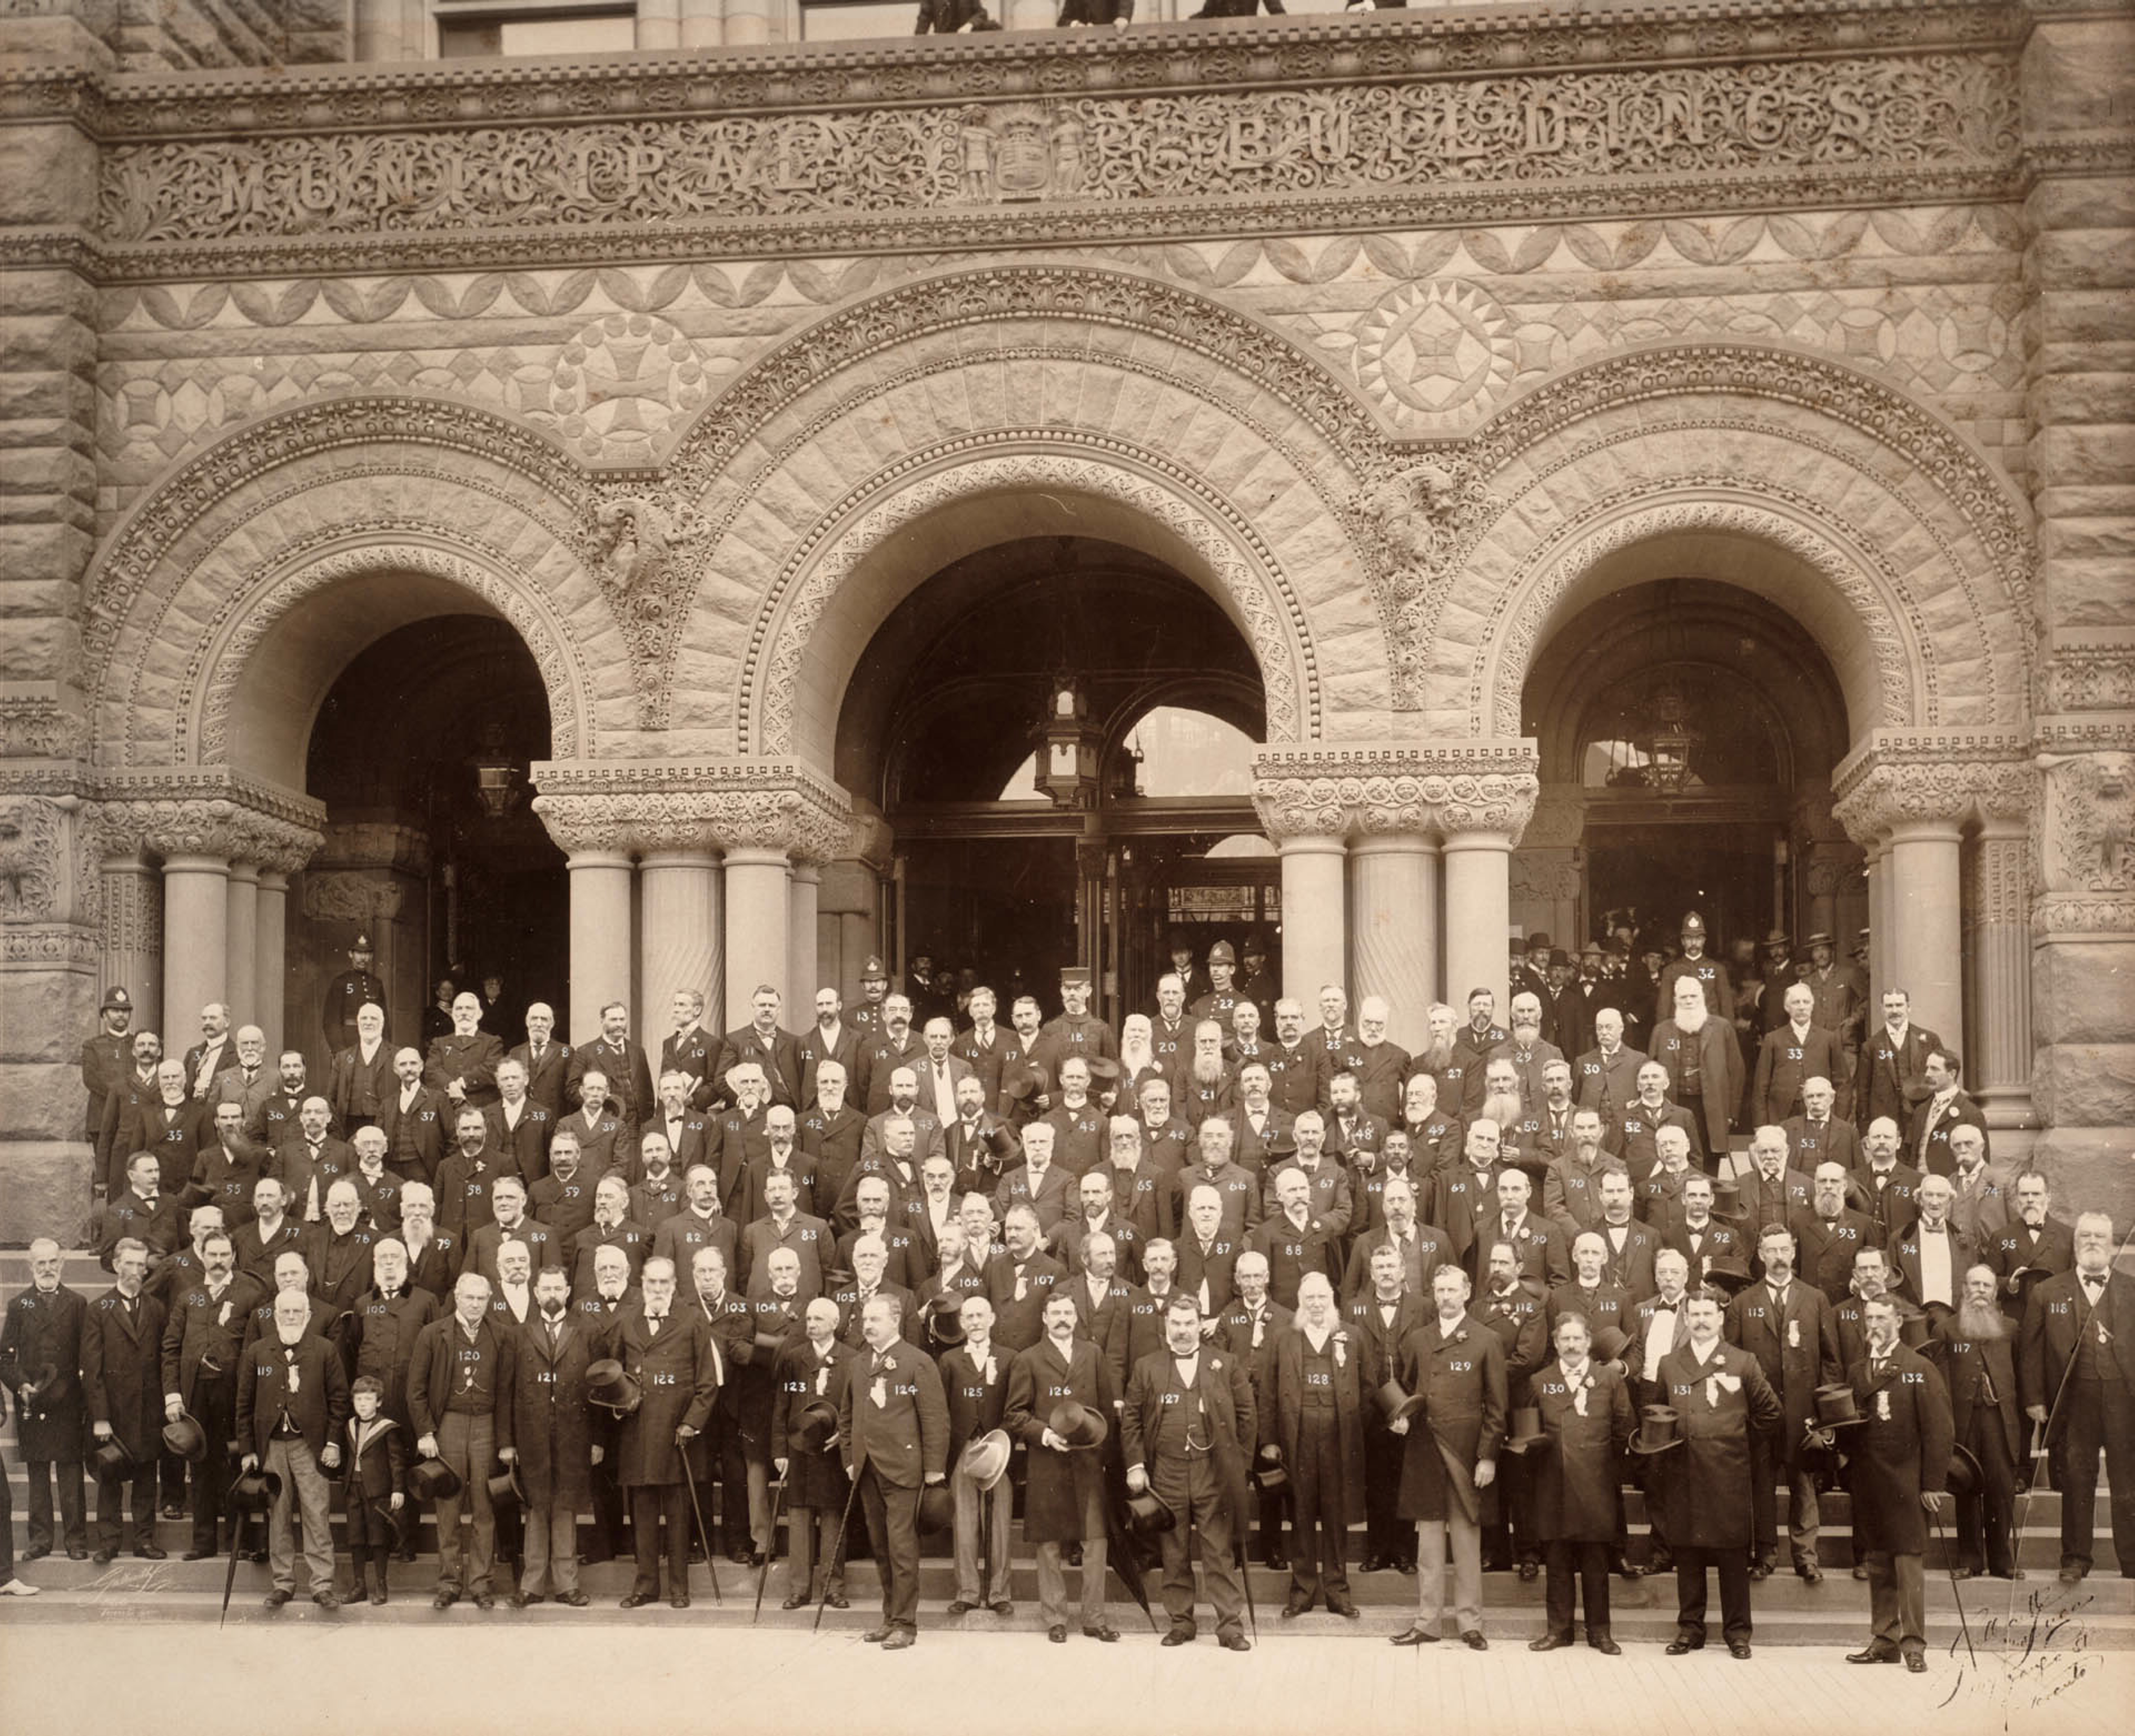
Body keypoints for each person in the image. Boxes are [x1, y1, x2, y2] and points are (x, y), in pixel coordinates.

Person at [1656, 1285, 1783, 1659]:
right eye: (1694, 1314)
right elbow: (1658, 1415)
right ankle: (1690, 1629)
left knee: (1732, 1557)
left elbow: (1772, 1413)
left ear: (1721, 1319)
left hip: (1728, 1473)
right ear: (1686, 1319)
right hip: (1684, 1472)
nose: (1701, 1321)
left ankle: (1738, 1633)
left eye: (1707, 1314)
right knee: (1688, 1555)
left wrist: (1737, 1440)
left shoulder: (1743, 1362)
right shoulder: (1669, 1363)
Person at [1122, 1293, 1255, 1651]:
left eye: (1189, 1323)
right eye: (1176, 1324)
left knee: (1218, 1551)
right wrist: (1136, 1465)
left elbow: (1247, 1418)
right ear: (1166, 1326)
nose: (1182, 1331)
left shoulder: (1225, 1364)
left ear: (1201, 1325)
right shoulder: (1146, 1366)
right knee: (1174, 1551)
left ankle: (1230, 1627)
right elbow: (1131, 1420)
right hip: (1166, 1475)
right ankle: (1181, 1623)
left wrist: (1237, 1468)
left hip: (1212, 1475)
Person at [1830, 1295, 1954, 1671]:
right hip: (1870, 1482)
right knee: (1878, 1563)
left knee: (1908, 1565)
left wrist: (1932, 1484)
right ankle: (1885, 1639)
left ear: (1898, 1322)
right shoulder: (1856, 1372)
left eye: (1882, 1318)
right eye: (1870, 1318)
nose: (1875, 1325)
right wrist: (1832, 1439)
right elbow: (1852, 1429)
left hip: (1908, 1482)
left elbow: (1940, 1431)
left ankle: (1914, 1644)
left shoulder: (1919, 1368)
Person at [1389, 1264, 1505, 1649]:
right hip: (1427, 1451)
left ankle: (1471, 1624)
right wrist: (1401, 1419)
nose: (1445, 1297)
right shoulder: (1419, 1340)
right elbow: (1405, 1390)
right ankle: (1428, 1623)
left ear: (1468, 1292)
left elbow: (1497, 1407)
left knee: (1468, 1542)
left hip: (1467, 1454)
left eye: (1452, 1290)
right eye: (1439, 1290)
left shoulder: (1487, 1340)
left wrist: (1487, 1457)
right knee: (1430, 1546)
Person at [2019, 1211, 2134, 1584]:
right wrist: (2035, 1398)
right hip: (2073, 1400)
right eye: (2085, 1236)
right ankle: (2075, 1559)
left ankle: (2132, 1560)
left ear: (2113, 1243)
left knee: (2128, 1481)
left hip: (2123, 1398)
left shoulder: (2132, 1289)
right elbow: (2031, 1350)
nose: (2092, 1242)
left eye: (2100, 1236)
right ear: (2075, 1242)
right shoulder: (2048, 1291)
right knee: (2077, 1479)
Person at [1725, 1223, 1839, 1582]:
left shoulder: (1815, 1299)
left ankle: (1806, 1556)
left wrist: (1826, 1415)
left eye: (1784, 1250)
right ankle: (1765, 1553)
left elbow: (1831, 1360)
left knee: (1803, 1484)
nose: (1778, 1257)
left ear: (1793, 1252)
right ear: (1760, 1255)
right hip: (1758, 1415)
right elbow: (1731, 1361)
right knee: (1760, 1484)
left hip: (1803, 1413)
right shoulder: (1744, 1303)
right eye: (1771, 1251)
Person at [606, 1254, 721, 1609]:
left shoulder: (692, 1321)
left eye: (665, 1283)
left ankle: (679, 1589)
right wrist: (619, 1406)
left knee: (677, 1515)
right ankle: (645, 1587)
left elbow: (708, 1384)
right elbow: (613, 1376)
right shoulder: (626, 1321)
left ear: (674, 1285)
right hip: (638, 1436)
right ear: (642, 1283)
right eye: (652, 1282)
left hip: (677, 1437)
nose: (658, 1289)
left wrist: (691, 1423)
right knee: (641, 1514)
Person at [1005, 1289, 1119, 1644]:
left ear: (1076, 1317)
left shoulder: (1094, 1354)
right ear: (1044, 1318)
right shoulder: (1028, 1359)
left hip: (1087, 1462)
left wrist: (1103, 1454)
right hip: (1048, 1462)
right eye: (1055, 1313)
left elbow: (1104, 1409)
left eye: (1068, 1312)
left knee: (1095, 1542)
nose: (1062, 1319)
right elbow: (1014, 1415)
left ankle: (1094, 1619)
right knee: (1050, 1543)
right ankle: (1055, 1618)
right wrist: (1043, 1435)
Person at [839, 1292, 949, 1650]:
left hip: (903, 1469)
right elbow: (847, 1416)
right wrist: (850, 1459)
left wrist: (934, 1469)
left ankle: (906, 1623)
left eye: (875, 1320)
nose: (867, 1326)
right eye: (865, 1320)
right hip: (867, 1468)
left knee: (902, 1547)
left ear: (895, 1322)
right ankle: (890, 1618)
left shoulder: (917, 1363)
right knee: (882, 1547)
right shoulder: (858, 1363)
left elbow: (935, 1418)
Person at [1527, 1312, 1635, 1654]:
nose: (1571, 1345)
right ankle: (1558, 1630)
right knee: (1557, 1561)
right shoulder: (1540, 1381)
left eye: (1577, 1339)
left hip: (1595, 1484)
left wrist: (1605, 1470)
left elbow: (1622, 1428)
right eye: (1565, 1340)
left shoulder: (1609, 1380)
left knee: (1595, 1563)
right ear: (1556, 1344)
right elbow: (1529, 1432)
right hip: (1553, 1485)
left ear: (1588, 1342)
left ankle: (1599, 1632)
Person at [238, 1287, 351, 1607]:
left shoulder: (325, 1350)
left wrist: (332, 1442)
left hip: (309, 1446)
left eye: (297, 1312)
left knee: (317, 1514)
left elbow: (340, 1401)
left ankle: (322, 1585)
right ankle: (283, 1583)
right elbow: (243, 1404)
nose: (291, 1317)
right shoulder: (258, 1351)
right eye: (285, 1312)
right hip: (271, 1447)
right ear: (275, 1316)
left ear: (308, 1316)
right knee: (279, 1515)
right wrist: (248, 1450)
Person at [497, 1264, 599, 1608]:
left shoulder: (586, 1333)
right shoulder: (518, 1335)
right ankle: (532, 1585)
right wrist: (508, 1442)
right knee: (537, 1507)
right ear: (536, 1292)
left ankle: (568, 1585)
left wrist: (597, 1440)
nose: (553, 1295)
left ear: (568, 1292)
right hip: (532, 1437)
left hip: (574, 1435)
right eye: (547, 1289)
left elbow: (598, 1392)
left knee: (566, 1508)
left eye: (559, 1289)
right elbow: (506, 1392)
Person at [159, 1226, 265, 1560]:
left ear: (233, 1257)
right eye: (212, 1255)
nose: (218, 1261)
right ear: (202, 1257)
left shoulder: (249, 1295)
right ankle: (203, 1541)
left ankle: (239, 1541)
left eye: (224, 1255)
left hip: (234, 1396)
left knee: (236, 1464)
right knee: (201, 1467)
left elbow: (258, 1348)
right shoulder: (189, 1298)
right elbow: (170, 1349)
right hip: (196, 1397)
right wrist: (173, 1395)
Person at [408, 1271, 511, 1610]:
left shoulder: (501, 1335)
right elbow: (416, 1389)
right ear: (456, 1297)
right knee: (448, 1507)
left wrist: (504, 1439)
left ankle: (481, 1584)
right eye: (469, 1298)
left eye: (482, 1299)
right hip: (448, 1425)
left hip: (485, 1426)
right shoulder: (432, 1334)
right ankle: (449, 1583)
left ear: (489, 1301)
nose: (475, 1304)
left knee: (485, 1508)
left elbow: (509, 1392)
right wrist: (426, 1432)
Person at [1270, 1272, 1365, 1617]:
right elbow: (1268, 1393)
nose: (1316, 1304)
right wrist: (1270, 1441)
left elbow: (1367, 1387)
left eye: (1322, 1297)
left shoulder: (1352, 1337)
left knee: (1336, 1516)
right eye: (1309, 1298)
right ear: (1300, 1302)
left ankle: (1338, 1592)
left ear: (1332, 1300)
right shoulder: (1284, 1339)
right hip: (1299, 1439)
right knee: (1302, 1514)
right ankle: (1303, 1591)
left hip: (1339, 1439)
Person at [82, 1238, 168, 1564]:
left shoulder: (157, 1308)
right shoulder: (98, 1310)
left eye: (141, 1265)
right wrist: (100, 1416)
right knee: (110, 1477)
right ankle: (109, 1541)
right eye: (129, 1264)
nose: (135, 1271)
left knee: (147, 1477)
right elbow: (92, 1370)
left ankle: (145, 1541)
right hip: (114, 1412)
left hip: (148, 1409)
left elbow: (163, 1360)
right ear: (116, 1265)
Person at [1934, 1265, 2019, 1579]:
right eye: (1975, 1284)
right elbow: (1940, 1387)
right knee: (1966, 1488)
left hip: (2000, 1422)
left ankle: (2002, 1561)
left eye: (1986, 1285)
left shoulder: (2010, 1328)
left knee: (2001, 1489)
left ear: (1995, 1292)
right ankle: (1969, 1560)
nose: (1980, 1290)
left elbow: (2020, 1378)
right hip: (1963, 1422)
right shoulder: (1946, 1330)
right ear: (1964, 1289)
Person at [770, 1296, 854, 1610]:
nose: (812, 1325)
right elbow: (780, 1408)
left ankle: (833, 1588)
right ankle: (799, 1589)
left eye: (819, 1319)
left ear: (835, 1323)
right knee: (799, 1520)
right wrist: (780, 1450)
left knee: (833, 1520)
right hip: (799, 1452)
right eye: (808, 1319)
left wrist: (844, 1438)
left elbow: (856, 1407)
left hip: (833, 1455)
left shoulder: (852, 1359)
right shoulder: (794, 1359)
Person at [340, 1374, 407, 1605]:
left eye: (368, 1400)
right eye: (358, 1400)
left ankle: (381, 1584)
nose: (362, 1404)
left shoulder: (386, 1428)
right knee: (356, 1538)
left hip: (377, 1491)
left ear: (379, 1402)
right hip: (354, 1488)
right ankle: (360, 1586)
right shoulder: (349, 1426)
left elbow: (397, 1462)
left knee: (378, 1538)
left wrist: (398, 1490)